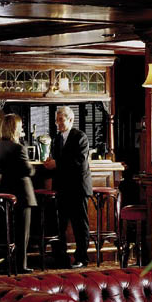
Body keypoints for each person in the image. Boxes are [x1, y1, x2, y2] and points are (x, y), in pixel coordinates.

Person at [43, 106, 92, 268]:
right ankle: (61, 258)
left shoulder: (80, 137)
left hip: (78, 188)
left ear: (71, 120)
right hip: (62, 188)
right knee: (60, 225)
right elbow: (57, 162)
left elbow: (79, 162)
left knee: (80, 225)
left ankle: (82, 258)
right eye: (56, 120)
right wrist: (50, 163)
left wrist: (56, 163)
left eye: (61, 120)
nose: (58, 123)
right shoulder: (57, 139)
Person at [0, 114, 36, 274]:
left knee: (9, 232)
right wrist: (33, 168)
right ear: (14, 128)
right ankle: (21, 265)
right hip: (22, 193)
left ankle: (7, 263)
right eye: (20, 126)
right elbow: (28, 170)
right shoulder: (18, 148)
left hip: (5, 190)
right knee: (22, 233)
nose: (22, 128)